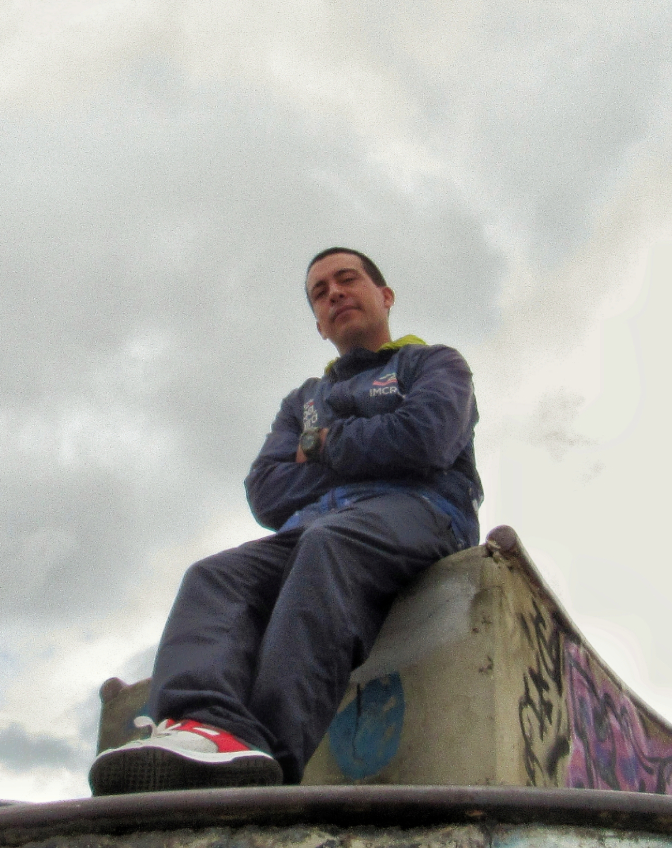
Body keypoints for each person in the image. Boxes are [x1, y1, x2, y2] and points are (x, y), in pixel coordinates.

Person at [88, 247, 482, 795]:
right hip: (311, 529)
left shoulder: (432, 364)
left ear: (385, 296)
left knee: (327, 545)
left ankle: (266, 754)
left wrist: (321, 445)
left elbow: (427, 438)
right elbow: (267, 492)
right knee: (213, 575)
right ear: (319, 325)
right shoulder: (304, 400)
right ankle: (199, 727)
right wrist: (362, 447)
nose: (335, 293)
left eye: (347, 280)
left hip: (421, 512)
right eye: (320, 293)